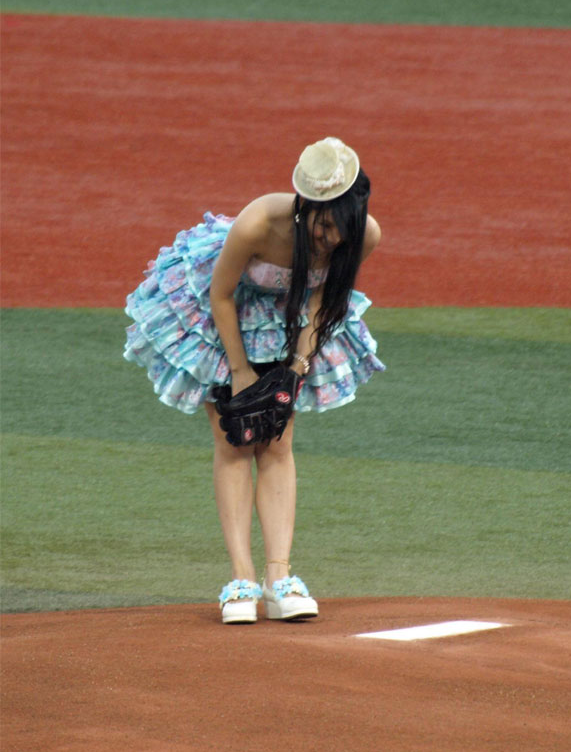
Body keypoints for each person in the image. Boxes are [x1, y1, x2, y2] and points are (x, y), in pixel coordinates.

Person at [124, 138, 385, 625]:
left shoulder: (363, 235)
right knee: (235, 441)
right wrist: (241, 371)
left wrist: (296, 369)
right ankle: (240, 579)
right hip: (220, 314)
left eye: (341, 229)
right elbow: (220, 295)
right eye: (324, 226)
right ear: (305, 207)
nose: (332, 239)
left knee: (278, 441)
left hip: (290, 321)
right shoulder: (258, 223)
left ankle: (278, 578)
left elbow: (320, 303)